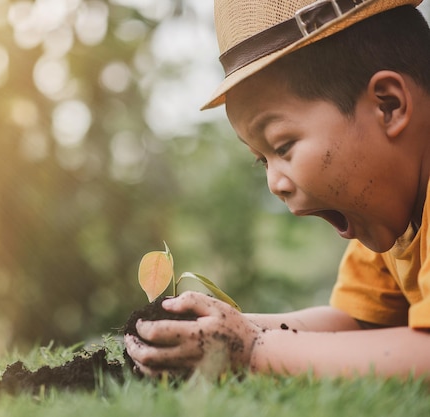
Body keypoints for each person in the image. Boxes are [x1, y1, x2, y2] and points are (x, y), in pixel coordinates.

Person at [124, 0, 430, 380]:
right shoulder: (394, 221)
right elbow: (361, 325)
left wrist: (253, 350)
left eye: (283, 147)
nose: (274, 183)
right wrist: (229, 329)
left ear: (389, 105)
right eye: (262, 160)